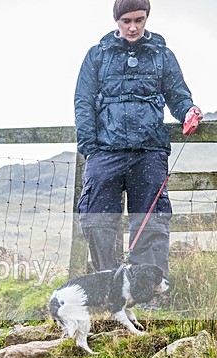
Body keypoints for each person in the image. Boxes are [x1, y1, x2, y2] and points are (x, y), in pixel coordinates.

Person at [74, 0, 202, 280]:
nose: (133, 27)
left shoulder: (162, 56)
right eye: (126, 21)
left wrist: (188, 111)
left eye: (139, 20)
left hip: (149, 152)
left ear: (146, 19)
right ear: (116, 21)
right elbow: (83, 102)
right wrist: (91, 150)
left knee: (151, 223)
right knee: (97, 221)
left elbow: (177, 95)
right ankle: (108, 286)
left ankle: (149, 294)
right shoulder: (97, 55)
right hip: (105, 153)